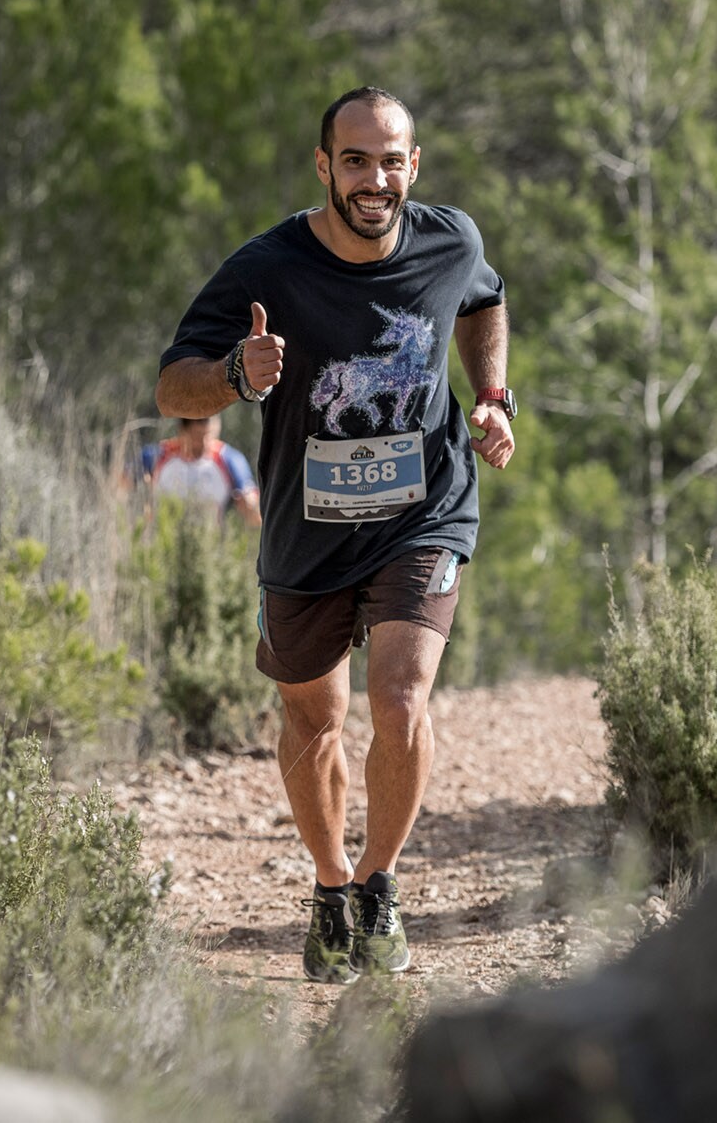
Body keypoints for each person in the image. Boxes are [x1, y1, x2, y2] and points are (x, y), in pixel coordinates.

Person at [154, 86, 514, 983]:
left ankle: (380, 883)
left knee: (399, 702)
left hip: (422, 510)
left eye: (391, 159)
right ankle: (329, 886)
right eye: (355, 160)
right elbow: (172, 388)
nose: (374, 178)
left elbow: (484, 300)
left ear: (414, 165)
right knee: (313, 720)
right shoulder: (266, 267)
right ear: (325, 167)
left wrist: (494, 396)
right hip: (306, 531)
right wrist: (237, 371)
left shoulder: (449, 239)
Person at [134, 414, 263, 528]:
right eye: (197, 438)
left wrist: (249, 506)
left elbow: (255, 515)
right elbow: (120, 486)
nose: (204, 444)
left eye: (209, 437)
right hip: (163, 542)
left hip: (208, 546)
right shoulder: (157, 456)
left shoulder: (230, 460)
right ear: (182, 430)